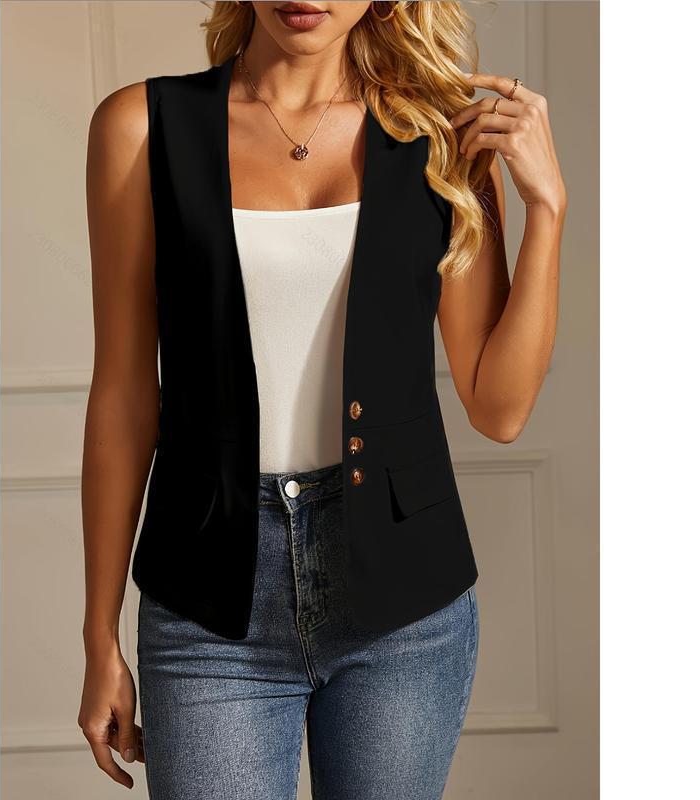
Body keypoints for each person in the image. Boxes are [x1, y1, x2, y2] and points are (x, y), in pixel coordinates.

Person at [77, 2, 566, 798]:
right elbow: (125, 394)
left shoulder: (443, 138)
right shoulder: (141, 127)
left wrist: (547, 209)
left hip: (403, 608)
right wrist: (99, 634)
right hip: (207, 605)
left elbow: (499, 408)